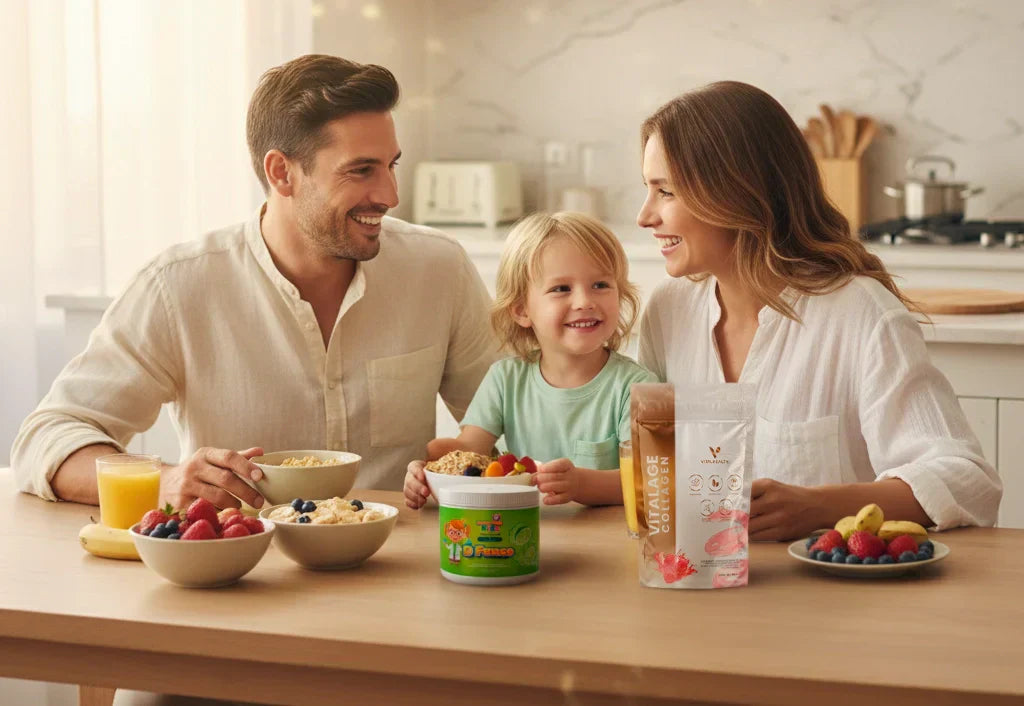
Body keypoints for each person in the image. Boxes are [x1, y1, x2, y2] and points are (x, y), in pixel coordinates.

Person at [11, 54, 498, 510]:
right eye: (361, 170)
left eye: (391, 165)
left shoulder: (439, 270)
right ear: (281, 172)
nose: (390, 194)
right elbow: (48, 436)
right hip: (243, 576)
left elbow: (525, 412)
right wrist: (162, 480)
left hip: (405, 572)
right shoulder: (179, 287)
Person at [634, 81, 1002, 540]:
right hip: (692, 586)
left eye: (665, 191)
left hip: (833, 601)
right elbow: (646, 469)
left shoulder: (860, 314)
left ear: (734, 192)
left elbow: (967, 480)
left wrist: (819, 507)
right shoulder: (667, 312)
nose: (644, 216)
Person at [403, 211, 658, 510]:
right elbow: (468, 452)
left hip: (608, 543)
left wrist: (580, 485)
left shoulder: (638, 389)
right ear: (522, 310)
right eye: (561, 289)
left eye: (600, 285)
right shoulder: (505, 379)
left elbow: (650, 483)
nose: (585, 301)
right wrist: (427, 470)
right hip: (519, 536)